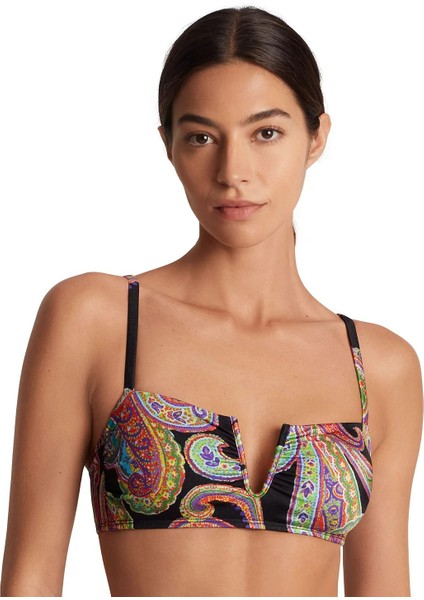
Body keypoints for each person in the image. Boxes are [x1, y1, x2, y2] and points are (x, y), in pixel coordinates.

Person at [1, 6, 422, 597]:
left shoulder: (380, 367)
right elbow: (28, 583)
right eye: (201, 137)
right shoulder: (97, 318)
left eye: (266, 133)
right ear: (168, 146)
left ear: (317, 137)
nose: (233, 171)